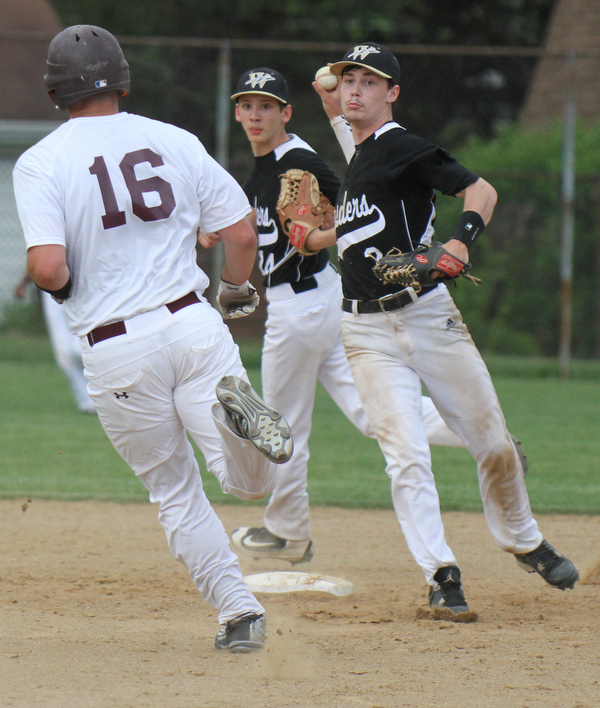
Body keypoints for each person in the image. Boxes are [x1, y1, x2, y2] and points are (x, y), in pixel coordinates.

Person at [12, 25, 295, 653]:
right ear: (122, 80)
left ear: (57, 91)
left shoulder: (42, 160)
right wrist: (235, 292)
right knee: (249, 483)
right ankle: (247, 429)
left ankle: (239, 611)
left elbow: (49, 267)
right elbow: (242, 234)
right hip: (193, 322)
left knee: (173, 490)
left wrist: (62, 290)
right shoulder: (173, 139)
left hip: (118, 347)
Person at [200, 67, 515, 567]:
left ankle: (288, 533)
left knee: (284, 425)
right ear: (237, 111)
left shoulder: (296, 158)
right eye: (247, 105)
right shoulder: (262, 169)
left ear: (285, 112)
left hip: (302, 305)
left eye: (266, 105)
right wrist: (223, 229)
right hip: (327, 302)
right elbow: (306, 217)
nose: (255, 114)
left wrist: (323, 223)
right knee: (372, 412)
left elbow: (350, 193)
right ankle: (477, 433)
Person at [310, 42, 578, 615]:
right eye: (349, 79)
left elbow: (482, 191)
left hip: (428, 316)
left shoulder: (402, 146)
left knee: (494, 444)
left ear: (393, 94)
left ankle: (524, 539)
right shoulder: (356, 156)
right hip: (364, 333)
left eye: (370, 81)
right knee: (405, 455)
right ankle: (441, 575)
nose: (355, 88)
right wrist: (330, 94)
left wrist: (459, 242)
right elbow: (340, 116)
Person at [15, 273, 96, 413]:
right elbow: (41, 257)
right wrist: (24, 283)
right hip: (52, 286)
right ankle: (88, 402)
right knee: (64, 354)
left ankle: (105, 395)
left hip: (83, 281)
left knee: (81, 349)